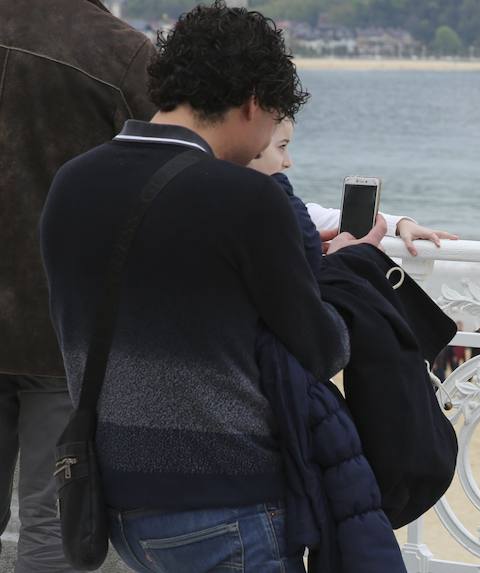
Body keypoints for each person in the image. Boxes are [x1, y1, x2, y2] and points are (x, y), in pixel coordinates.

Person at [40, 3, 378, 571]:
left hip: (116, 501)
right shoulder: (248, 199)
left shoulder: (72, 182)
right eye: (274, 121)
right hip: (226, 498)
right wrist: (344, 267)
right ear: (252, 103)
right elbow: (324, 349)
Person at [0, 1, 156, 570]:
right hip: (63, 327)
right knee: (52, 523)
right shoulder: (121, 53)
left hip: (53, 326)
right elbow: (181, 168)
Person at [248, 119, 458, 256]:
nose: (288, 162)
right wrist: (342, 257)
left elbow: (329, 218)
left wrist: (400, 224)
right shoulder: (273, 212)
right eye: (282, 147)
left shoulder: (283, 209)